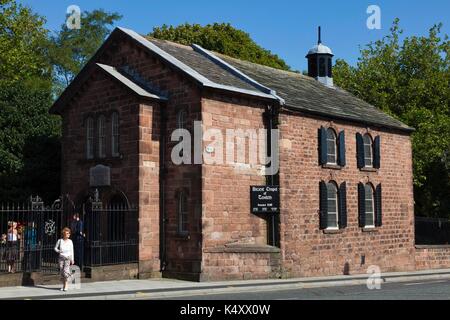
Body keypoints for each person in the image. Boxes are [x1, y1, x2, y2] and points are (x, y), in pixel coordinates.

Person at [54, 227, 74, 291]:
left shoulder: (70, 241)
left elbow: (72, 251)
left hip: (67, 258)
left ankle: (66, 285)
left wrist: (72, 259)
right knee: (62, 272)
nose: (69, 234)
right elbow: (55, 248)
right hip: (61, 258)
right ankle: (64, 285)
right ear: (64, 234)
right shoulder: (60, 241)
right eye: (67, 233)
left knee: (65, 272)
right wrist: (59, 251)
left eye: (69, 233)